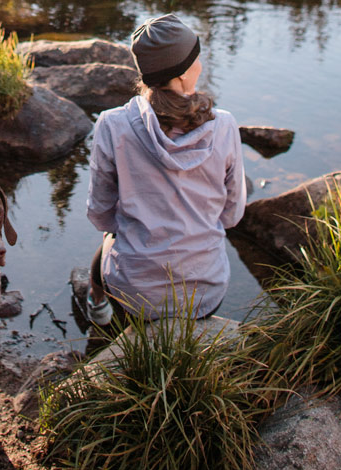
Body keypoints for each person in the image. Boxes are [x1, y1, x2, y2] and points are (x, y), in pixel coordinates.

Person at [85, 14, 247, 327]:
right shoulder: (224, 125)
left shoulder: (111, 124)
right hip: (206, 293)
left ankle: (98, 306)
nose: (201, 61)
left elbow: (99, 213)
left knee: (112, 235)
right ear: (185, 73)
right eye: (197, 56)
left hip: (134, 294)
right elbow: (232, 214)